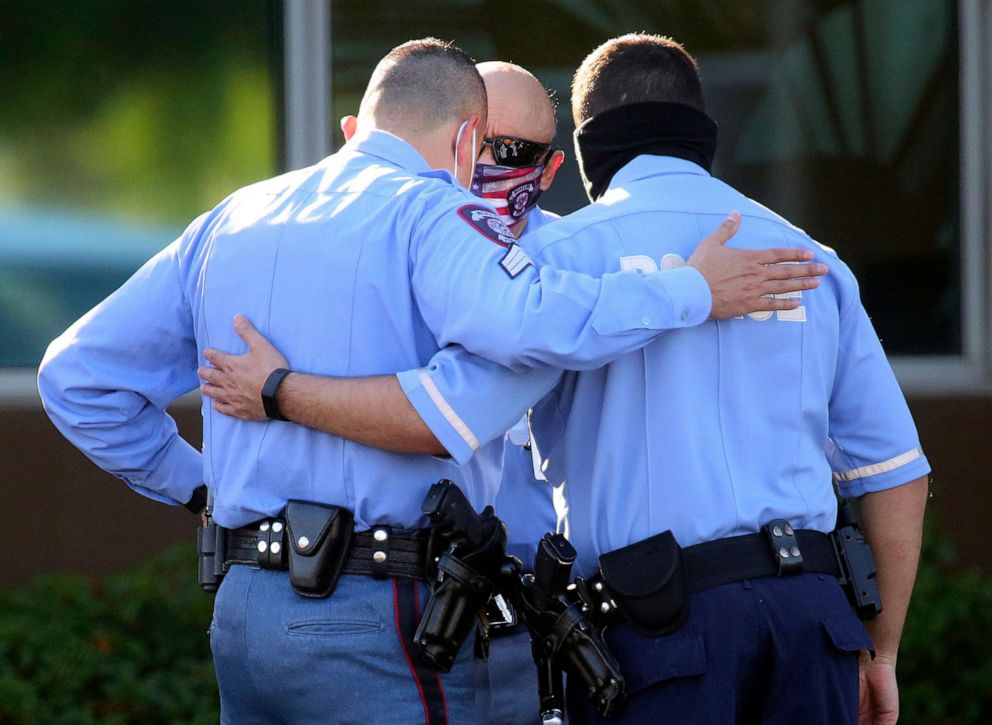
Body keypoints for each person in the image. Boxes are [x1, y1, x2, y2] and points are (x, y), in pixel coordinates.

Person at [37, 37, 825, 725]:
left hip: (247, 605)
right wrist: (689, 289)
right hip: (376, 610)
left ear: (364, 120)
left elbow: (78, 378)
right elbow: (529, 319)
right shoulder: (434, 215)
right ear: (467, 137)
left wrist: (203, 489)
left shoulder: (234, 216)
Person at [200, 34, 929, 725]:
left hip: (661, 630)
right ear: (704, 130)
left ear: (586, 150)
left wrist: (279, 392)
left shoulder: (560, 259)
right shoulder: (812, 262)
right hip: (812, 625)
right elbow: (894, 470)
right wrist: (883, 646)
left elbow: (444, 416)